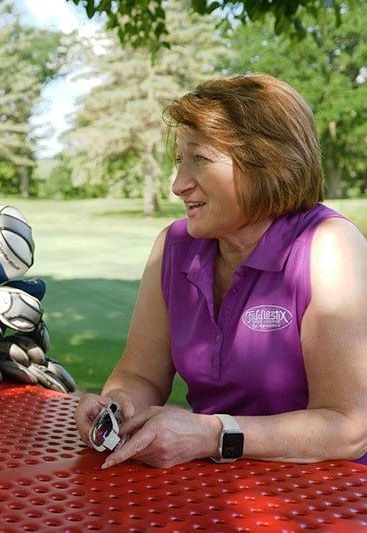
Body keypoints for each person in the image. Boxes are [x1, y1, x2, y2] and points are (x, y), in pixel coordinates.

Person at [74, 74, 367, 468]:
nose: (178, 185)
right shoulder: (173, 248)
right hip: (214, 489)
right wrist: (119, 407)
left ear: (266, 163)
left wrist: (214, 435)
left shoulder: (328, 245)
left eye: (200, 159)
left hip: (328, 497)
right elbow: (140, 374)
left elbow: (349, 427)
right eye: (180, 160)